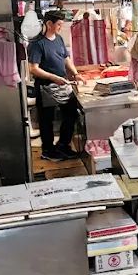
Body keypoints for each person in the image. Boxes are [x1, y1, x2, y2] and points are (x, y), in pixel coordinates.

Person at [26, 9, 82, 161]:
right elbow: (33, 68)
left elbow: (65, 58)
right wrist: (54, 77)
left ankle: (63, 145)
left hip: (62, 84)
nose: (60, 27)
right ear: (49, 23)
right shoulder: (37, 44)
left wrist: (76, 73)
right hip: (45, 87)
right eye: (58, 24)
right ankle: (48, 150)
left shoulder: (58, 39)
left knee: (70, 114)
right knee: (46, 121)